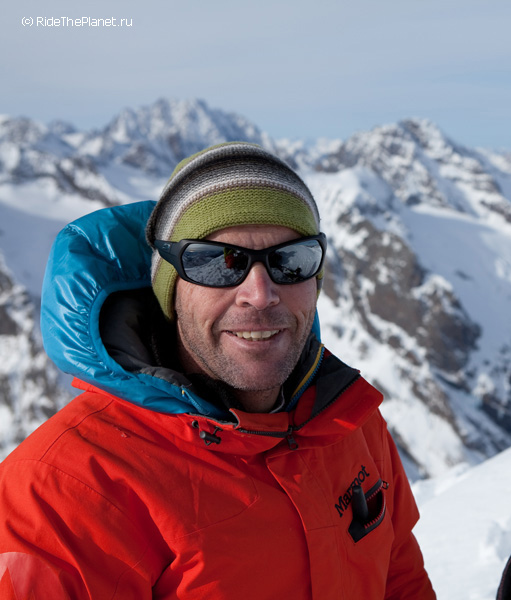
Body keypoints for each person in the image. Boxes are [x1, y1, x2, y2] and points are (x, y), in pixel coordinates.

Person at [0, 142, 436, 598]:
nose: (260, 294)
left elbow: (401, 581)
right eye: (216, 262)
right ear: (169, 288)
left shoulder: (351, 423)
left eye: (291, 260)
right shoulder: (62, 493)